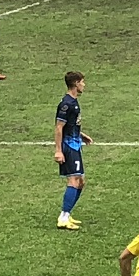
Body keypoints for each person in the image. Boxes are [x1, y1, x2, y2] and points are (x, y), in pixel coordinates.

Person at [54, 71, 93, 230]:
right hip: (69, 146)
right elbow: (59, 127)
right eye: (82, 82)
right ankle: (63, 217)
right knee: (74, 180)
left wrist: (81, 135)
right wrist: (58, 151)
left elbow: (70, 125)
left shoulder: (73, 102)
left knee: (81, 181)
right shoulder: (66, 104)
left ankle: (67, 214)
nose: (84, 85)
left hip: (75, 143)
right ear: (76, 83)